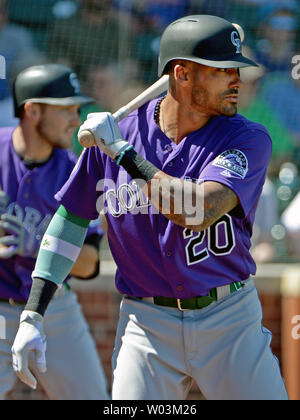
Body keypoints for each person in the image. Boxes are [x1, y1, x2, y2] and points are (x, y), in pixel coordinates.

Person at [12, 16, 288, 400]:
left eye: (237, 70)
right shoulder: (119, 132)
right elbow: (71, 219)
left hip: (229, 319)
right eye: (224, 70)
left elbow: (197, 210)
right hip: (147, 322)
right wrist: (33, 313)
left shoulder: (247, 137)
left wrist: (123, 155)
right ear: (183, 74)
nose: (237, 80)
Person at [0, 63, 109, 400]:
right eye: (67, 109)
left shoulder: (74, 167)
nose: (77, 119)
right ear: (32, 110)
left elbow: (90, 263)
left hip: (56, 312)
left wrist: (41, 245)